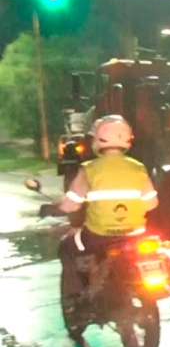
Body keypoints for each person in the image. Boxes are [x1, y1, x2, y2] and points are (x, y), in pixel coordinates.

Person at [40, 115, 158, 304]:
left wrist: (54, 209)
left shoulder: (90, 169)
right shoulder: (139, 169)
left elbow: (71, 204)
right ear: (127, 140)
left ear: (98, 139)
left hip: (98, 236)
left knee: (67, 246)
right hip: (135, 235)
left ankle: (74, 301)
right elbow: (151, 204)